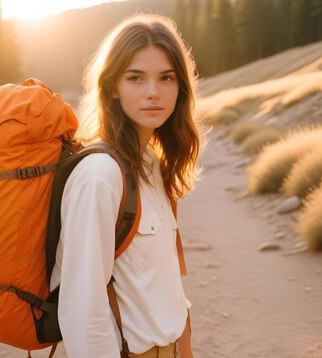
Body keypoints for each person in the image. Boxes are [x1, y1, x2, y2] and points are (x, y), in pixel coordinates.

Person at [49, 14, 202, 358]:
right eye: (136, 78)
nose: (153, 92)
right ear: (112, 88)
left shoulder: (152, 165)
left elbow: (162, 286)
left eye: (166, 78)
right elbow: (82, 311)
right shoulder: (100, 176)